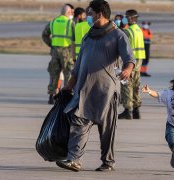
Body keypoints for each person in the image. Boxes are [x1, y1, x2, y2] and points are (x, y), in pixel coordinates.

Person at [55, 0, 135, 172]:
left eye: (90, 13)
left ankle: (108, 162)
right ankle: (74, 160)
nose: (88, 17)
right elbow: (78, 67)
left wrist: (128, 70)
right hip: (84, 90)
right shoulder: (88, 36)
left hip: (106, 92)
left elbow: (129, 59)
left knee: (106, 129)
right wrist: (68, 87)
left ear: (100, 14)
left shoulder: (118, 35)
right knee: (78, 123)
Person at [42, 4, 75, 104]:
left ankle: (52, 96)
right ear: (69, 13)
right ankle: (66, 95)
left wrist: (51, 44)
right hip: (66, 52)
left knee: (54, 73)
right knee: (68, 73)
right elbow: (74, 38)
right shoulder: (70, 23)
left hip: (55, 51)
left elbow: (44, 34)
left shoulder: (53, 21)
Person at [118, 9, 146, 120]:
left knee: (126, 85)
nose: (124, 18)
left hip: (130, 61)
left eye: (126, 16)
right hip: (139, 61)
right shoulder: (139, 30)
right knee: (135, 85)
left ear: (130, 18)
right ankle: (136, 110)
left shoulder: (128, 31)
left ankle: (127, 110)